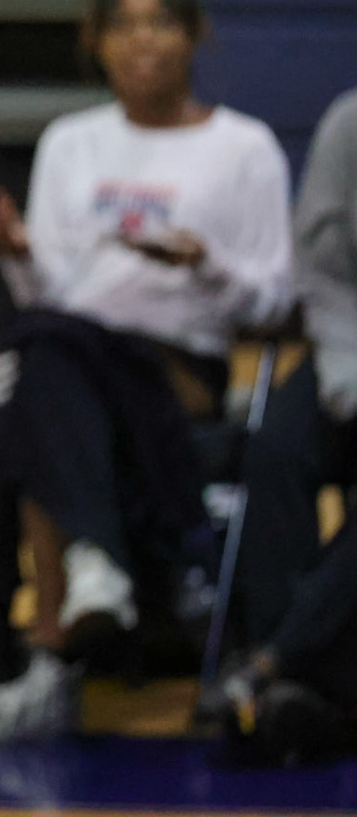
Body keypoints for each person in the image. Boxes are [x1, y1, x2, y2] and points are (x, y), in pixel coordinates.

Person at [0, 0, 295, 744]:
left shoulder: (245, 148)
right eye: (124, 24)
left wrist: (204, 264)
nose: (143, 39)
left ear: (195, 36)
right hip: (68, 362)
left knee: (33, 373)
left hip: (177, 370)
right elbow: (52, 292)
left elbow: (274, 302)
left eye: (161, 21)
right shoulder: (72, 142)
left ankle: (51, 653)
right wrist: (14, 255)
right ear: (94, 40)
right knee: (46, 359)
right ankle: (94, 567)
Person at [206, 85, 357, 749]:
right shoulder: (348, 123)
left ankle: (275, 662)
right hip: (348, 344)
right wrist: (348, 372)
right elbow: (322, 275)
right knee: (274, 451)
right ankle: (294, 683)